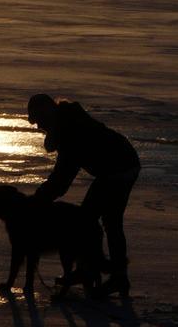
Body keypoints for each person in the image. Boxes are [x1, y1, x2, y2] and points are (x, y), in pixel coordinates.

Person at [27, 93, 140, 297]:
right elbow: (62, 177)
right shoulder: (66, 122)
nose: (38, 127)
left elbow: (62, 180)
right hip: (117, 165)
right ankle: (101, 273)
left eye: (39, 121)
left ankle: (107, 275)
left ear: (48, 113)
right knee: (100, 220)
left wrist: (38, 200)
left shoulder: (70, 130)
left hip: (119, 167)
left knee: (91, 220)